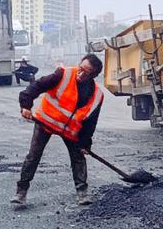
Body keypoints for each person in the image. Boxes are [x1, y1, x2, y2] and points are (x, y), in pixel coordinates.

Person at [12, 53, 104, 207]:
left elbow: (90, 123)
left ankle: (82, 192)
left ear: (93, 75)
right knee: (33, 155)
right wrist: (26, 106)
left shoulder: (97, 95)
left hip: (70, 130)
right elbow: (37, 86)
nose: (80, 74)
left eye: (86, 72)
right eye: (80, 68)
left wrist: (85, 143)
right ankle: (21, 192)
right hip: (46, 121)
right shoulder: (63, 74)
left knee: (78, 157)